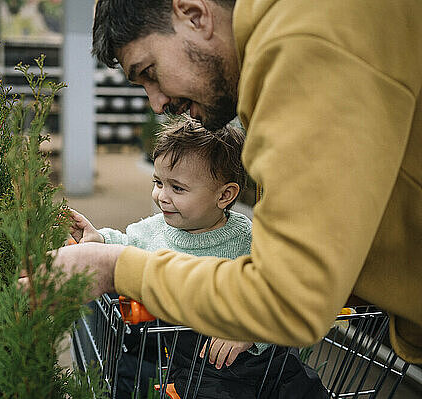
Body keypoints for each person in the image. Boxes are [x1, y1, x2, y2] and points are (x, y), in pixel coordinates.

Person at [22, 0, 422, 364]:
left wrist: (115, 268)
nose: (156, 103)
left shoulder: (302, 43)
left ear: (194, 15)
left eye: (149, 72)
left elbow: (287, 299)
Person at [70, 117, 326, 398]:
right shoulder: (156, 230)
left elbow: (282, 289)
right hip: (200, 369)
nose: (161, 197)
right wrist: (100, 239)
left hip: (265, 361)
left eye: (177, 188)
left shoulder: (248, 239)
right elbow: (125, 244)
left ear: (225, 195)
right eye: (158, 182)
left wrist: (252, 331)